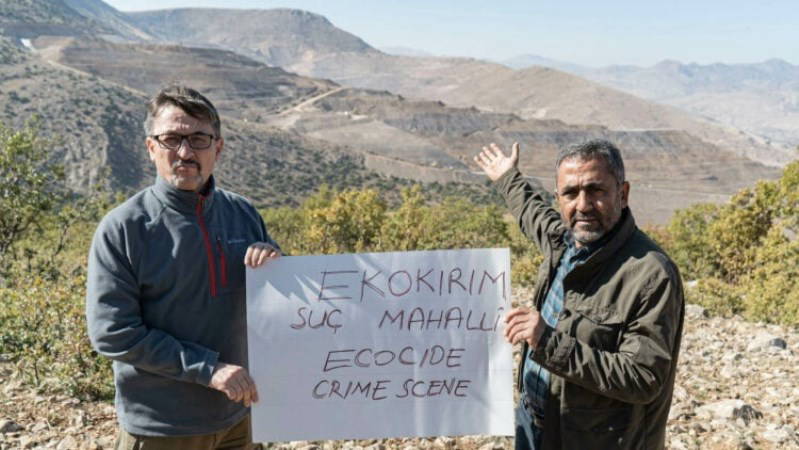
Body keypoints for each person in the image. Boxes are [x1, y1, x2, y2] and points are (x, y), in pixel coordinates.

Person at [86, 85, 281, 449]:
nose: (186, 152)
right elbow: (112, 332)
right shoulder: (124, 228)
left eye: (199, 139)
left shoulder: (242, 213)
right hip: (163, 427)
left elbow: (278, 305)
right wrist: (208, 370)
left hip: (241, 416)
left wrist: (276, 266)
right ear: (151, 148)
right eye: (171, 139)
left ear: (218, 148)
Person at [474, 140, 684, 450]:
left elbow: (643, 377)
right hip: (534, 423)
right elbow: (532, 213)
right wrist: (507, 176)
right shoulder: (564, 242)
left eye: (596, 190)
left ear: (623, 194)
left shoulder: (650, 274)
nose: (583, 205)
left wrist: (547, 340)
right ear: (558, 198)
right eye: (570, 193)